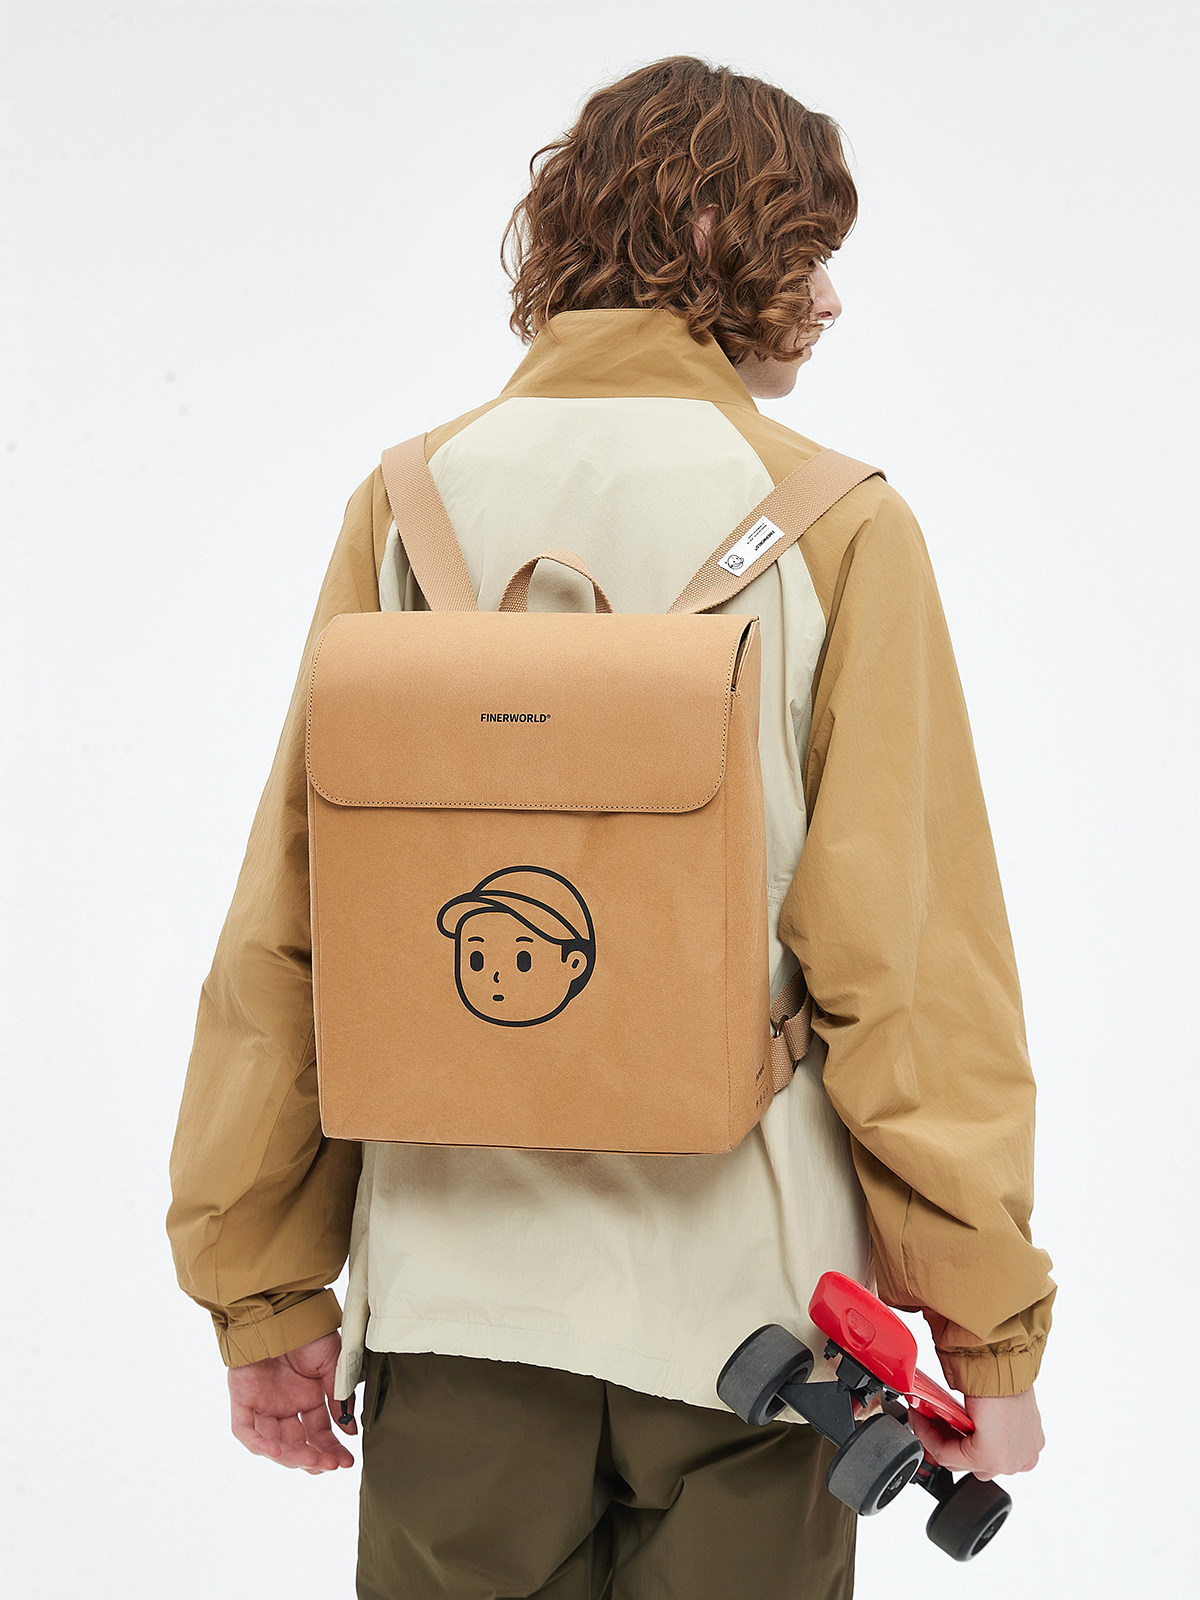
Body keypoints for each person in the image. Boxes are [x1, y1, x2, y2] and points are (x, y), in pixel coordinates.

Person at [167, 55, 1055, 1599]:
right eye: (807, 245)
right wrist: (988, 1326)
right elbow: (911, 967)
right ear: (710, 230)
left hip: (456, 1308)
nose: (829, 295)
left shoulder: (410, 505)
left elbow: (294, 929)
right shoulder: (840, 523)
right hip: (753, 1334)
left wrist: (266, 1290)